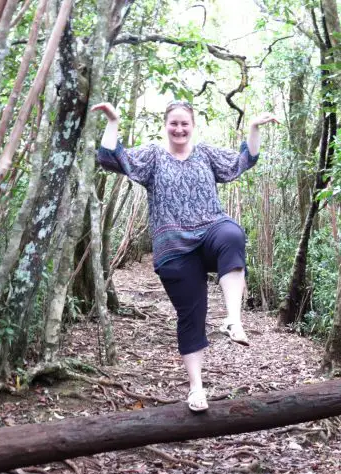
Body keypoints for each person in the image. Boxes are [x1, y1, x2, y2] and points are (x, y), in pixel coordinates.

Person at [92, 99, 278, 412]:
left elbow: (245, 160)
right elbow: (109, 158)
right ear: (166, 126)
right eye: (174, 124)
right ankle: (196, 388)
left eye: (185, 124)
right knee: (191, 317)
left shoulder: (205, 154)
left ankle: (233, 319)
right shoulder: (152, 156)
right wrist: (113, 121)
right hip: (173, 249)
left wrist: (253, 129)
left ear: (192, 127)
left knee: (232, 234)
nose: (179, 129)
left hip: (210, 232)